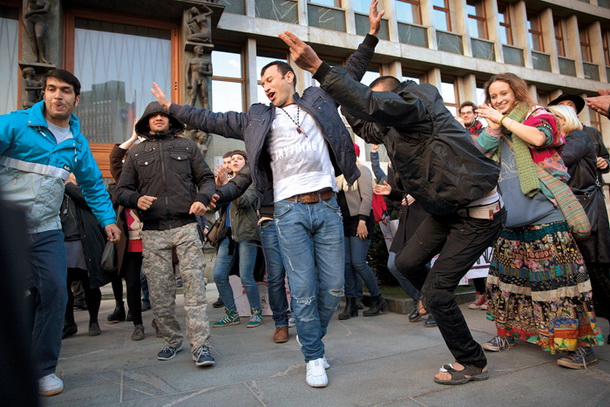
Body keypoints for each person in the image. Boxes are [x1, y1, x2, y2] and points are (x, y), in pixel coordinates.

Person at [150, 1, 384, 388]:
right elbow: (214, 120)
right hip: (288, 213)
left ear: (289, 77)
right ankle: (313, 354)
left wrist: (372, 33)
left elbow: (352, 72)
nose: (266, 88)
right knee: (304, 290)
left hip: (327, 208)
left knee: (333, 289)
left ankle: (313, 339)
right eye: (260, 85)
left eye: (269, 81)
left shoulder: (319, 100)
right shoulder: (258, 119)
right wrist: (173, 108)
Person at [280, 26, 506, 385]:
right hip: (445, 209)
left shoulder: (418, 102)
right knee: (405, 263)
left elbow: (373, 106)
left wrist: (321, 68)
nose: (377, 116)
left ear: (391, 97)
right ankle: (437, 297)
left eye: (377, 105)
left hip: (478, 213)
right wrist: (340, 99)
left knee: (438, 292)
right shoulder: (389, 127)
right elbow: (366, 120)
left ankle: (472, 361)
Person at [0, 69, 120, 396]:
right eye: (52, 89)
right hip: (8, 229)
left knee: (55, 291)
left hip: (46, 230)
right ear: (44, 94)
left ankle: (42, 370)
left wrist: (108, 220)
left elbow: (94, 185)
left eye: (65, 91)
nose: (58, 96)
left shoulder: (77, 144)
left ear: (76, 99)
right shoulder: (13, 125)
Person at [474, 73, 603, 369]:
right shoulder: (497, 126)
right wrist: (493, 126)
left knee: (562, 285)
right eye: (493, 96)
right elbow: (478, 153)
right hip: (510, 222)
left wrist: (503, 121)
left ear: (517, 92)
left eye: (503, 93)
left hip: (548, 217)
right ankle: (508, 333)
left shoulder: (539, 115)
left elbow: (538, 138)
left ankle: (582, 348)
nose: (498, 100)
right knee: (506, 285)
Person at [116, 101, 216, 368]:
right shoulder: (136, 154)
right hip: (153, 230)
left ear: (171, 120)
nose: (159, 118)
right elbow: (121, 190)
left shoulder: (187, 146)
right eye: (153, 115)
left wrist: (202, 198)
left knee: (195, 287)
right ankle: (172, 341)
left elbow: (206, 178)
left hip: (185, 225)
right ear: (146, 122)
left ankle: (201, 346)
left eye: (163, 115)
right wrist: (136, 199)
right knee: (160, 292)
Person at [548, 105, 610, 323]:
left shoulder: (578, 137)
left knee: (596, 267)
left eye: (550, 117)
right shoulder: (563, 141)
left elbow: (559, 163)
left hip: (586, 208)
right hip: (574, 207)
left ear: (563, 120)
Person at [210, 150, 264, 329]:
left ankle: (256, 312)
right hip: (227, 235)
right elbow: (213, 207)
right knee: (218, 275)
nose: (234, 162)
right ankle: (232, 313)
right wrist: (218, 189)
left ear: (246, 163)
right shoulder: (227, 183)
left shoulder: (252, 182)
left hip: (247, 233)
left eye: (239, 159)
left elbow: (244, 202)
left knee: (246, 276)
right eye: (232, 160)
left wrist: (228, 185)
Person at [337, 143, 387, 319]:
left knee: (358, 262)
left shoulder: (361, 171)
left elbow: (367, 198)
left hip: (360, 221)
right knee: (346, 264)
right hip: (342, 223)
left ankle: (377, 298)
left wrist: (362, 221)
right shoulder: (336, 175)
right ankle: (351, 303)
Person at [61, 175, 109, 339]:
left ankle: (94, 321)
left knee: (90, 284)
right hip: (64, 241)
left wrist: (68, 185)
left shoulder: (89, 185)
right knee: (64, 286)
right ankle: (69, 323)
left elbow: (88, 200)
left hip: (85, 242)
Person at [109, 133, 146, 341]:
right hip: (130, 243)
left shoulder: (151, 179)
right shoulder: (124, 182)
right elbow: (115, 158)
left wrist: (146, 143)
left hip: (152, 239)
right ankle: (137, 324)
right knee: (131, 284)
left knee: (158, 283)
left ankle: (161, 319)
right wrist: (133, 138)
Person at [457, 101, 488, 310]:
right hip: (465, 193)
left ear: (475, 115)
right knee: (474, 252)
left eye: (470, 113)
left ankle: (492, 294)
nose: (467, 115)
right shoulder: (456, 131)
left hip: (485, 189)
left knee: (489, 251)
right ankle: (480, 294)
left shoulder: (483, 132)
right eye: (464, 113)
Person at [548, 93, 610, 186]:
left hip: (589, 190)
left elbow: (605, 156)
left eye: (570, 104)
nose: (566, 107)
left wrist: (605, 163)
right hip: (565, 188)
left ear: (575, 110)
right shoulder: (551, 134)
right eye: (562, 105)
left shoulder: (591, 132)